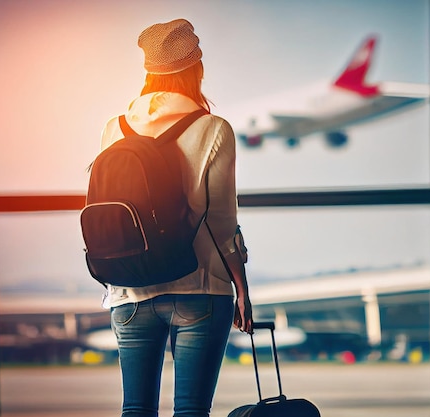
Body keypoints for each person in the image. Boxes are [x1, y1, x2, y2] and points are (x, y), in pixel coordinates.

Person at [99, 18, 253, 417]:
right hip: (200, 287)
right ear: (196, 70)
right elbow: (222, 223)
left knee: (135, 408)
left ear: (148, 73)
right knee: (191, 410)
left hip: (130, 288)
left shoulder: (114, 129)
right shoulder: (213, 129)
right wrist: (241, 287)